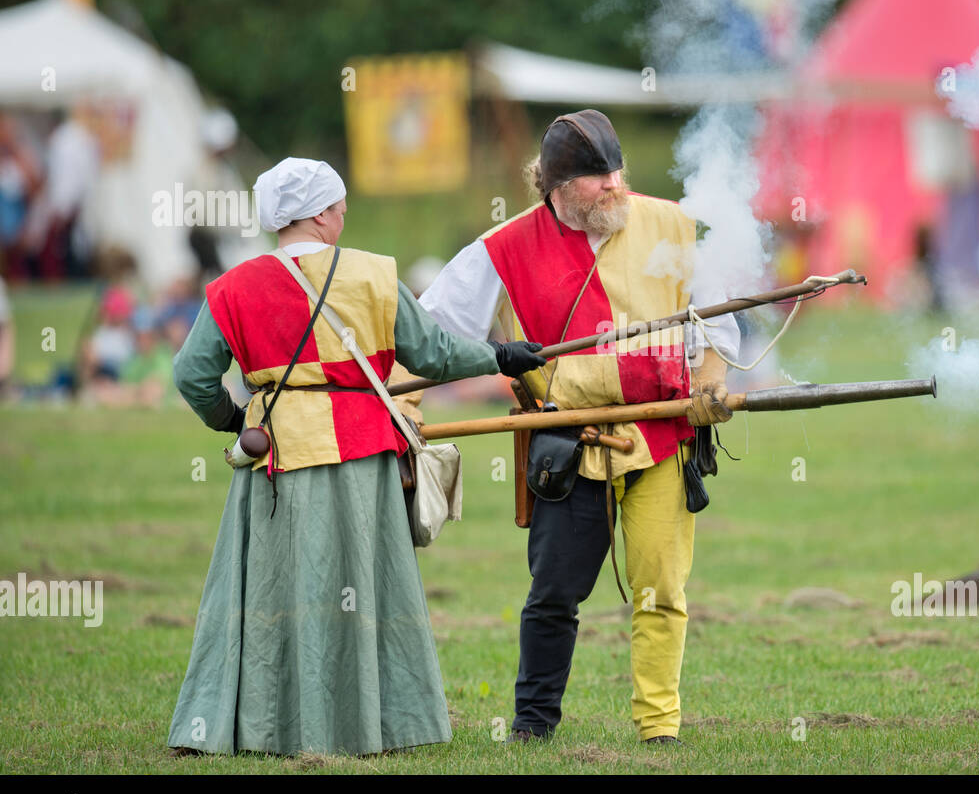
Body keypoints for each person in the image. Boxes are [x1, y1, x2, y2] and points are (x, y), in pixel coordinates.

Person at [166, 157, 544, 756]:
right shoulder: (373, 275)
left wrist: (236, 419)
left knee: (273, 589)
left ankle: (263, 727)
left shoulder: (234, 286)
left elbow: (192, 376)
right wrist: (500, 357)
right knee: (362, 589)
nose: (345, 215)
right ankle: (372, 725)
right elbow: (437, 354)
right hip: (363, 459)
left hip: (274, 459)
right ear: (319, 214)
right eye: (340, 206)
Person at [419, 110, 739, 745]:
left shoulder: (671, 223)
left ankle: (660, 729)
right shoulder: (502, 248)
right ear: (556, 186)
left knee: (661, 588)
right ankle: (534, 726)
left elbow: (718, 325)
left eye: (618, 172)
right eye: (597, 179)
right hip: (567, 442)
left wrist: (707, 384)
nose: (615, 187)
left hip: (662, 433)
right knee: (554, 594)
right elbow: (430, 336)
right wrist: (413, 401)